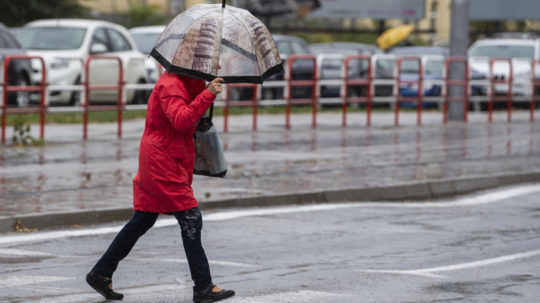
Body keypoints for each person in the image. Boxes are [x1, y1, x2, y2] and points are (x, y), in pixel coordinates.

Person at [86, 72, 235, 303]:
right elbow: (182, 120)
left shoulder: (186, 82)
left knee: (143, 219)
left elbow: (192, 112)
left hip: (166, 158)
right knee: (191, 218)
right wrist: (207, 94)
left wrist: (206, 91)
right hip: (162, 162)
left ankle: (101, 273)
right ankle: (203, 286)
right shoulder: (170, 85)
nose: (208, 65)